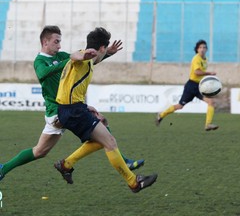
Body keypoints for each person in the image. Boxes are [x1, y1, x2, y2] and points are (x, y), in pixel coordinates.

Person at [0, 25, 144, 181]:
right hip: (57, 111)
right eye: (56, 41)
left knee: (40, 151)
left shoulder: (61, 55)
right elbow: (43, 74)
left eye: (60, 42)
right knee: (100, 124)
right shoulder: (40, 61)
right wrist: (69, 59)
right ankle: (118, 163)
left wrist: (107, 52)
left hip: (65, 109)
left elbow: (85, 61)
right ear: (45, 42)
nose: (59, 45)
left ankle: (4, 168)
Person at [54, 27, 158, 193]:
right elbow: (75, 56)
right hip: (74, 111)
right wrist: (83, 54)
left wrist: (108, 53)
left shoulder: (89, 60)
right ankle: (134, 182)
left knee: (100, 136)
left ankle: (66, 165)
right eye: (105, 49)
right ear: (100, 48)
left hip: (72, 108)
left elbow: (92, 60)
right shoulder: (83, 57)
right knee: (110, 142)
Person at [155, 39, 219, 131]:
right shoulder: (196, 58)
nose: (202, 49)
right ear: (197, 49)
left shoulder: (205, 59)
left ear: (207, 49)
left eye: (204, 47)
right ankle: (161, 115)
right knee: (180, 106)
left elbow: (200, 74)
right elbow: (197, 72)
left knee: (211, 102)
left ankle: (208, 124)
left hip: (199, 86)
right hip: (191, 86)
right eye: (200, 47)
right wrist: (209, 73)